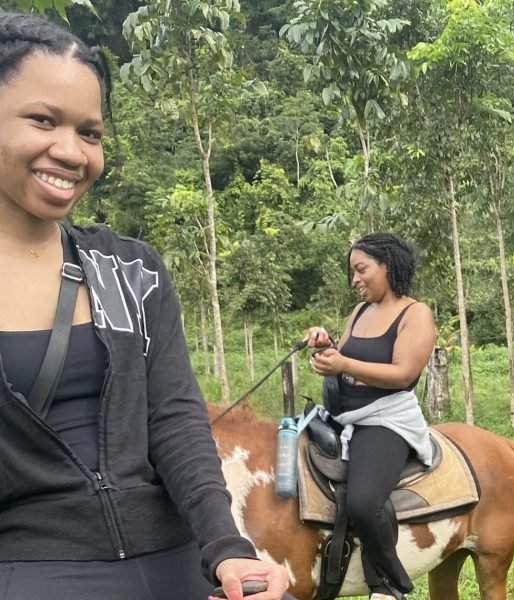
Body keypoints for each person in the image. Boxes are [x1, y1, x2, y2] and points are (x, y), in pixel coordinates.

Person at [0, 11, 288, 600]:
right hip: (32, 566)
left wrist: (228, 550)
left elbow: (176, 420)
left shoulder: (131, 270)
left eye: (90, 132)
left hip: (174, 556)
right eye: (43, 120)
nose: (73, 152)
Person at [305, 232, 436, 600]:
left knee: (364, 502)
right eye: (352, 272)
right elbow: (343, 355)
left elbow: (404, 373)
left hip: (386, 418)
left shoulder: (416, 314)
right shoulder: (360, 312)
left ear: (387, 265)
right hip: (345, 415)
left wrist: (344, 362)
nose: (355, 280)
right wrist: (325, 345)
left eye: (361, 270)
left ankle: (390, 584)